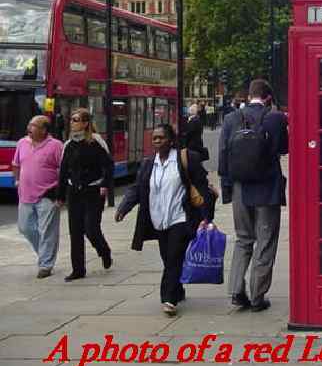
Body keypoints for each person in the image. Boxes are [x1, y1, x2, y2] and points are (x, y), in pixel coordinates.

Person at [115, 124, 215, 316]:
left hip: (180, 217)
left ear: (171, 140)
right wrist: (124, 207)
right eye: (155, 138)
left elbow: (202, 189)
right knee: (167, 257)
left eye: (161, 138)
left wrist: (206, 217)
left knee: (174, 257)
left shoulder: (186, 159)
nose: (157, 141)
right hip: (158, 220)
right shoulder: (148, 163)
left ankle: (168, 298)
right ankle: (177, 289)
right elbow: (138, 188)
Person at [219, 79, 288, 312]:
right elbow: (283, 148)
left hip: (240, 187)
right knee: (266, 241)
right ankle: (258, 296)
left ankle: (237, 291)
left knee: (243, 239)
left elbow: (223, 156)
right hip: (267, 188)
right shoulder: (275, 118)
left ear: (249, 95)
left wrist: (227, 189)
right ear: (268, 97)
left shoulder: (230, 119)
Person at [57, 108, 113, 282]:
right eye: (72, 119)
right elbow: (63, 171)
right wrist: (60, 196)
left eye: (76, 119)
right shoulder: (68, 144)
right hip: (74, 191)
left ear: (86, 123)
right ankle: (78, 269)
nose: (73, 123)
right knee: (75, 231)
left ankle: (104, 251)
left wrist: (104, 185)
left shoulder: (96, 142)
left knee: (91, 228)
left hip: (93, 191)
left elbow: (109, 166)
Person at [12, 115, 64, 278]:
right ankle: (44, 254)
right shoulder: (22, 143)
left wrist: (61, 194)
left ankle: (46, 265)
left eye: (33, 125)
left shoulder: (56, 146)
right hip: (25, 195)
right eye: (29, 124)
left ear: (44, 130)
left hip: (48, 194)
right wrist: (17, 180)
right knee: (25, 227)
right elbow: (16, 164)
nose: (29, 128)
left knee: (48, 231)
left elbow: (64, 170)